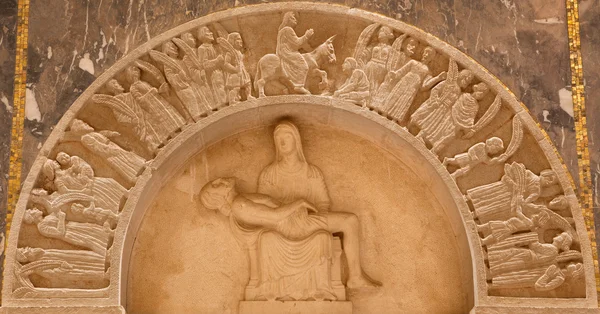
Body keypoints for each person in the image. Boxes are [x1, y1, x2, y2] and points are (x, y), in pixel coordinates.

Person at [200, 177, 376, 290]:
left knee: (349, 220)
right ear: (218, 198)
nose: (220, 181)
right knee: (349, 221)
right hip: (294, 227)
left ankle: (356, 277)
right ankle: (355, 278)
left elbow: (272, 204)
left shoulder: (241, 200)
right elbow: (276, 216)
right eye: (215, 186)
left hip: (296, 221)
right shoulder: (240, 206)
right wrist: (299, 203)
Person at [258, 121, 330, 212]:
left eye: (287, 137)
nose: (282, 142)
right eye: (278, 138)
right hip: (279, 221)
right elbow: (262, 205)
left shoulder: (312, 173)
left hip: (308, 220)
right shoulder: (269, 174)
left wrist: (318, 218)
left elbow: (323, 203)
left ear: (296, 139)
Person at [276, 12, 314, 94]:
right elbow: (297, 43)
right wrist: (306, 35)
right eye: (293, 18)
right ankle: (299, 86)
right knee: (304, 66)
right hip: (288, 53)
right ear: (288, 20)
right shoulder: (288, 29)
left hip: (284, 52)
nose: (295, 20)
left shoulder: (282, 30)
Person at [223, 32, 253, 104]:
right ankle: (232, 100)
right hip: (235, 73)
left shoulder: (238, 52)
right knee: (236, 87)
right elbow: (226, 64)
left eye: (241, 39)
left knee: (247, 83)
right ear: (232, 41)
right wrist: (235, 69)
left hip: (242, 70)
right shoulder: (230, 53)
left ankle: (249, 95)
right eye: (238, 39)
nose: (241, 41)